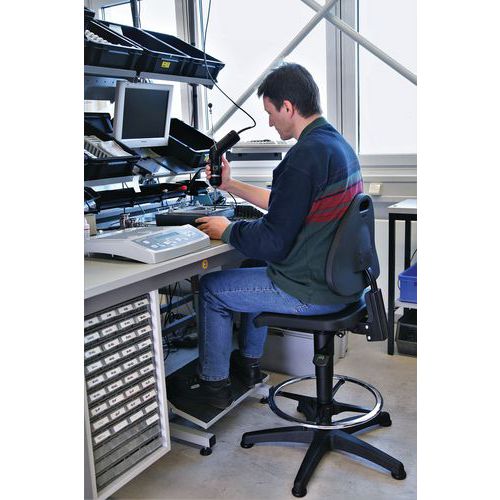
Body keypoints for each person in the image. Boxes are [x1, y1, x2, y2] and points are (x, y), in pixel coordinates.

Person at [169, 63, 364, 410]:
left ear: (288, 106)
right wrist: (230, 185)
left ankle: (213, 387)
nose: (271, 123)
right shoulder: (333, 145)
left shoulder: (303, 156)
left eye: (271, 113)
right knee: (253, 264)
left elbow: (273, 240)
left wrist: (227, 229)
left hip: (313, 290)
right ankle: (248, 366)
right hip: (343, 284)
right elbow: (287, 203)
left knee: (212, 289)